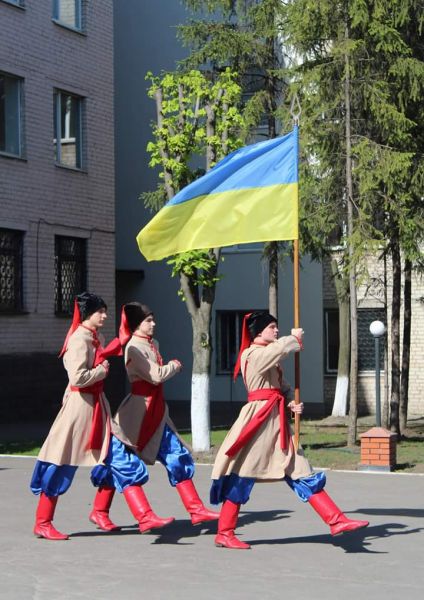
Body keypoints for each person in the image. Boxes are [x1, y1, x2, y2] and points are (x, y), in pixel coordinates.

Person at [210, 311, 369, 549]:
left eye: (277, 327)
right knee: (242, 475)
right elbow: (273, 354)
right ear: (259, 331)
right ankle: (224, 532)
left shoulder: (267, 355)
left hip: (277, 420)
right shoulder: (252, 354)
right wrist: (292, 338)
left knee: (301, 470)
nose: (276, 330)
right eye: (272, 327)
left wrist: (290, 402)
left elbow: (280, 388)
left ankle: (336, 520)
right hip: (259, 422)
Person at [30, 292, 173, 540]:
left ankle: (141, 515)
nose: (105, 316)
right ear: (88, 314)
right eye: (101, 312)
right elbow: (76, 378)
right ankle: (43, 522)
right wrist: (101, 370)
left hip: (98, 407)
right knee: (61, 463)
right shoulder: (78, 340)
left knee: (120, 458)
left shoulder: (97, 337)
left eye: (105, 311)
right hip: (80, 411)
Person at [91, 302, 218, 529]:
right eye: (148, 320)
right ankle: (100, 511)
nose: (153, 324)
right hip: (137, 413)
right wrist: (174, 366)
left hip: (156, 410)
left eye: (153, 319)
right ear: (136, 324)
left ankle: (196, 510)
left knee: (176, 455)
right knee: (120, 462)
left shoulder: (152, 344)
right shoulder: (133, 347)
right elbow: (155, 376)